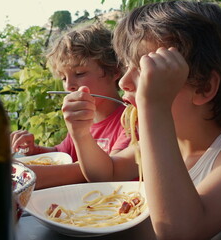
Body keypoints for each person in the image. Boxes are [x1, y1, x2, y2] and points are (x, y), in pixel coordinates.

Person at [70, 1, 221, 239]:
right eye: (127, 66)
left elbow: (181, 232)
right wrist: (81, 133)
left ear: (203, 87)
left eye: (147, 69)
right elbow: (105, 174)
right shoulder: (172, 144)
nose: (123, 82)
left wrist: (154, 106)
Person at [10, 24, 131, 189]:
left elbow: (106, 172)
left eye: (79, 74)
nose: (69, 86)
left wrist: (23, 174)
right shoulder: (84, 119)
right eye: (63, 78)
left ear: (114, 71)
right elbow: (62, 153)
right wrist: (35, 150)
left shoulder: (129, 120)